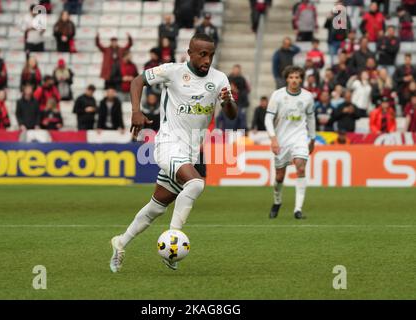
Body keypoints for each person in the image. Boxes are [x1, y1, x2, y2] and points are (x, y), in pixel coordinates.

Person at [109, 33, 237, 273]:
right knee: (197, 184)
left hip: (189, 151)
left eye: (210, 54)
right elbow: (137, 81)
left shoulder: (219, 79)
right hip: (167, 144)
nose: (207, 59)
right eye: (202, 54)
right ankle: (173, 240)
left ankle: (120, 242)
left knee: (157, 206)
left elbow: (231, 113)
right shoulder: (172, 71)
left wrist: (228, 100)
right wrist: (135, 111)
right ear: (190, 53)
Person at [265, 65, 316, 220]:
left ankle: (297, 209)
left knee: (300, 167)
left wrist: (312, 138)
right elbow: (268, 118)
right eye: (291, 77)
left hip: (300, 138)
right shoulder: (277, 95)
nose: (294, 80)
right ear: (287, 79)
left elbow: (310, 118)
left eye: (297, 77)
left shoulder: (307, 97)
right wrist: (273, 138)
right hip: (281, 140)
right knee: (280, 176)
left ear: (301, 79)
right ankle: (277, 201)